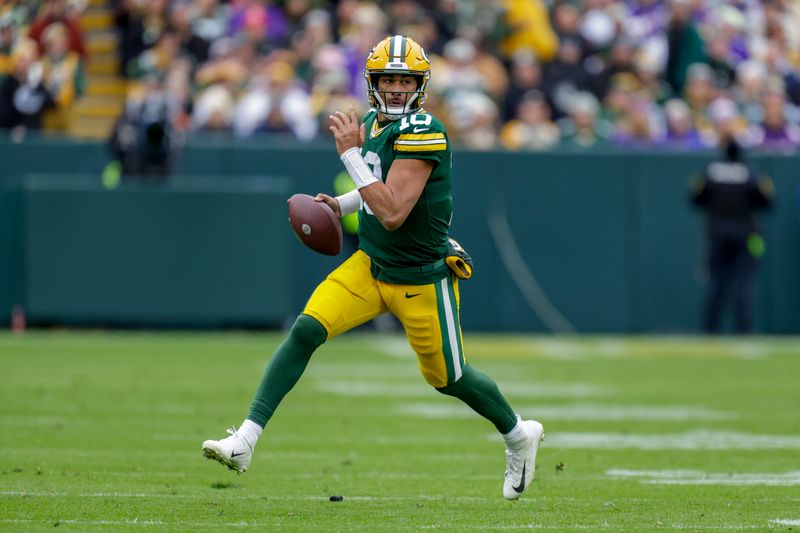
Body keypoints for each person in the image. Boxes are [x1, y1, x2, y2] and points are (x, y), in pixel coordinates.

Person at [202, 35, 544, 501]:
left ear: (420, 85)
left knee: (450, 378)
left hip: (421, 277)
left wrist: (347, 157)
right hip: (373, 263)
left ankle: (518, 434)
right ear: (373, 82)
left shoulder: (426, 129)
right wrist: (338, 204)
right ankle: (245, 439)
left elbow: (393, 210)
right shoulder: (372, 122)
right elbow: (370, 189)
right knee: (306, 330)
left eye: (405, 80)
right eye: (389, 79)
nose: (397, 88)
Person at [690, 138, 773, 333]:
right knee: (743, 281)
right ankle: (743, 328)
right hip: (747, 233)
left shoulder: (711, 171)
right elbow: (767, 201)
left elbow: (696, 198)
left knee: (717, 280)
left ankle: (711, 328)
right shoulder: (750, 172)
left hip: (717, 232)